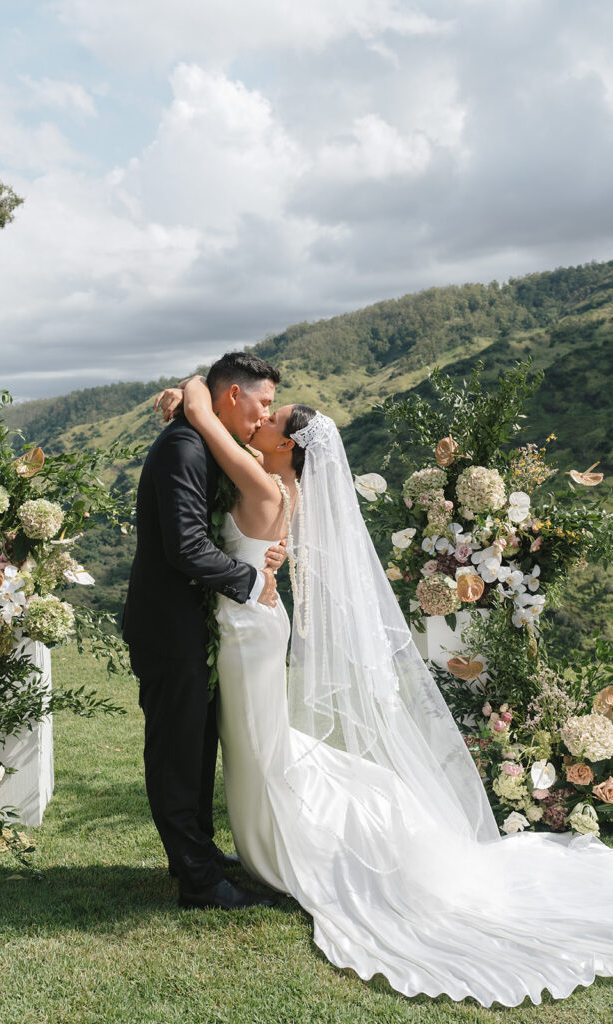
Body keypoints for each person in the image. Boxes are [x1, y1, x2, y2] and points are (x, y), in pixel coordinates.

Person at [157, 374, 613, 1008]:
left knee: (260, 747)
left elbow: (211, 427)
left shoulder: (263, 482)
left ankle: (270, 848)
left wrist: (194, 394)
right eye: (260, 413)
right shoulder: (278, 480)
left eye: (270, 421)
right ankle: (246, 847)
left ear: (289, 448)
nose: (257, 424)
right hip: (247, 623)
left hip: (250, 633)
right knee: (256, 744)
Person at [123, 352, 289, 911]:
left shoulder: (203, 436)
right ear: (234, 396)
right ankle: (197, 882)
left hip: (198, 626)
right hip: (168, 626)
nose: (265, 416)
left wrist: (191, 389)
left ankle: (197, 853)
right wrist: (250, 579)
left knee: (197, 746)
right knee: (176, 750)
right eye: (263, 402)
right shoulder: (183, 448)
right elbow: (186, 547)